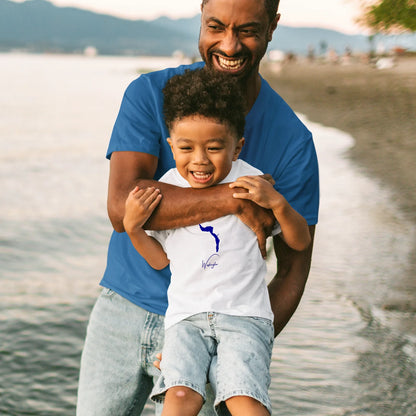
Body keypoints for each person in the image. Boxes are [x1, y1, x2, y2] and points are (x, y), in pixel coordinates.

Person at [76, 0, 319, 415]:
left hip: (219, 329)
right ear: (201, 20)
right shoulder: (149, 95)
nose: (229, 44)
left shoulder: (293, 141)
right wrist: (232, 199)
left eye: (247, 30)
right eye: (216, 26)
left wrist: (243, 345)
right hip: (123, 310)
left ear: (273, 26)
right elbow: (122, 209)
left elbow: (295, 264)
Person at [123, 68, 311, 416]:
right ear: (171, 146)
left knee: (244, 400)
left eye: (213, 147)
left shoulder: (253, 183)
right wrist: (134, 229)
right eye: (186, 147)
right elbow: (160, 260)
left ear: (237, 146)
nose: (199, 159)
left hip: (244, 317)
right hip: (186, 319)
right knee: (179, 398)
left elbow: (298, 243)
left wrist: (279, 204)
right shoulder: (166, 188)